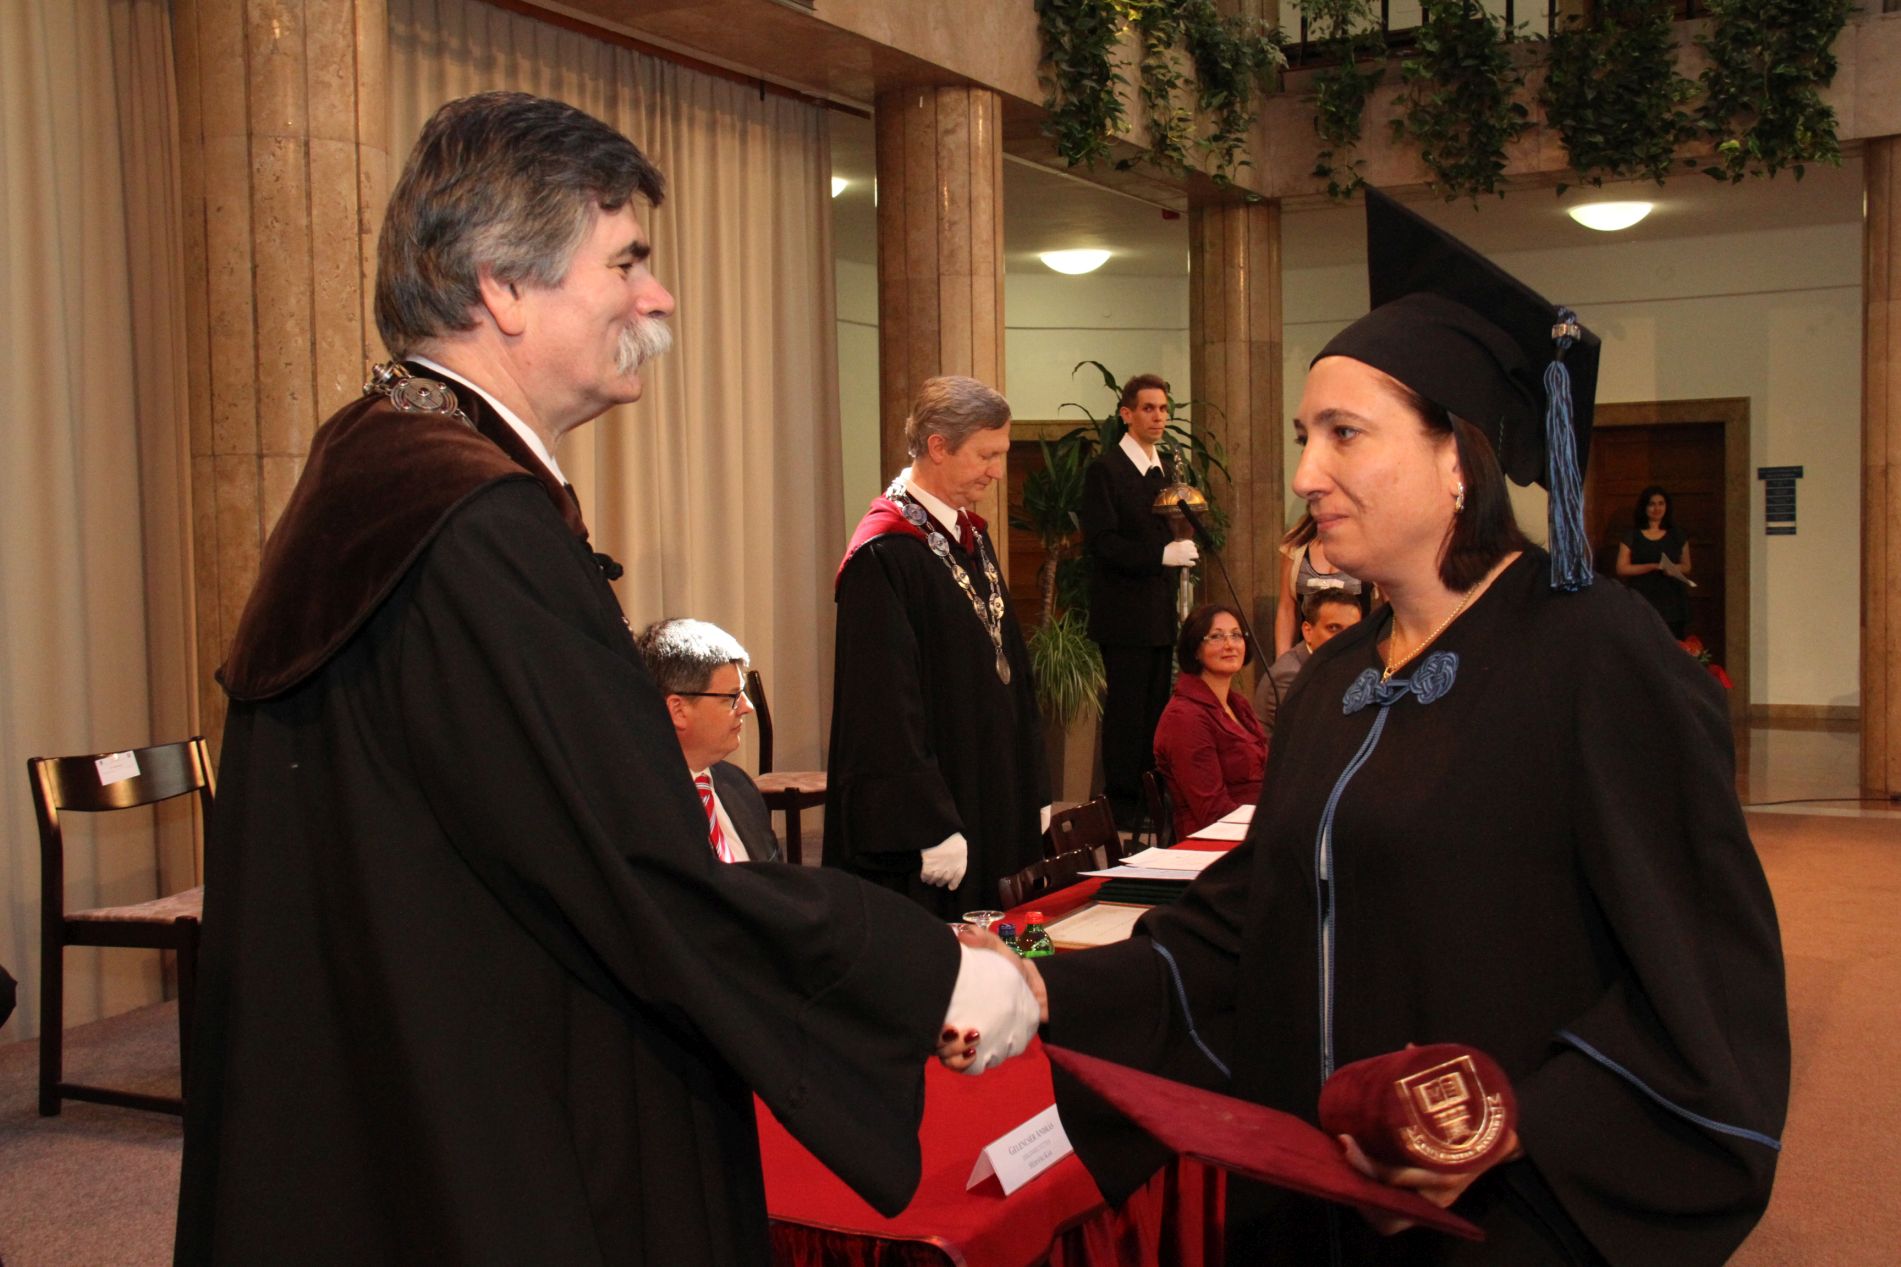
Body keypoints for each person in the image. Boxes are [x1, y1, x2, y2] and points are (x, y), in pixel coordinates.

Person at [176, 92, 1038, 1266]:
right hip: (502, 1101)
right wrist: (924, 971)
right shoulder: (472, 520)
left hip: (412, 1067)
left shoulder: (387, 461)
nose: (658, 296)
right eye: (626, 260)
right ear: (502, 287)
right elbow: (635, 866)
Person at [1024, 188, 1788, 1264]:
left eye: (1343, 433)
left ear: (1456, 458)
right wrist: (1044, 985)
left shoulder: (1593, 655)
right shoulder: (1336, 678)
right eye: (1304, 436)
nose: (1304, 473)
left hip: (1493, 1220)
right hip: (1310, 1209)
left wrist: (1503, 1128)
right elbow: (1251, 924)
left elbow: (1698, 972)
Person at [825, 375, 1051, 919]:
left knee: (1022, 945)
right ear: (938, 446)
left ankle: (1030, 981)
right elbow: (882, 708)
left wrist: (1034, 782)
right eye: (986, 455)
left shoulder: (969, 533)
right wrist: (926, 823)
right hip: (939, 812)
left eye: (1001, 455)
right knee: (946, 957)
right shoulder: (884, 551)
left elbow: (1012, 665)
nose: (997, 472)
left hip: (997, 788)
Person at [1081, 373, 1199, 828]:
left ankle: (1152, 801)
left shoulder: (1164, 468)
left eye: (1164, 409)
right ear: (1126, 414)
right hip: (1124, 614)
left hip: (1158, 612)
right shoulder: (1106, 469)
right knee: (1127, 712)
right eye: (1149, 408)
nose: (1159, 417)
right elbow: (1102, 543)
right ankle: (1124, 807)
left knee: (1154, 710)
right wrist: (1160, 555)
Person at [635, 617, 779, 863]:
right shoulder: (642, 806)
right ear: (678, 710)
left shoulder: (739, 785)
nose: (747, 707)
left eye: (743, 692)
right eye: (732, 696)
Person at [1151, 604, 1268, 839]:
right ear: (1195, 649)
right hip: (1217, 842)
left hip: (1257, 830)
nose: (1230, 645)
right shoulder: (1185, 717)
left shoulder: (1238, 705)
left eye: (1236, 635)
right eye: (1216, 637)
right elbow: (1213, 811)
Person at [1254, 588, 1365, 733]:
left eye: (1352, 631)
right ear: (1308, 631)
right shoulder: (1289, 677)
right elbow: (1318, 736)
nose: (1344, 638)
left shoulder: (1344, 665)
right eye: (1333, 628)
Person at [1272, 509, 1367, 656]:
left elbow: (1390, 607)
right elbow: (1286, 608)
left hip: (1356, 651)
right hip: (1308, 652)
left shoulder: (1367, 540)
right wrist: (1282, 661)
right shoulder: (1297, 541)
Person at [1615, 484, 1694, 638]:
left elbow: (1687, 566)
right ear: (1644, 507)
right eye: (1651, 504)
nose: (1657, 508)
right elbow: (1622, 568)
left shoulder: (1677, 534)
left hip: (1672, 600)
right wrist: (1652, 566)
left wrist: (1673, 569)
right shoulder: (1633, 535)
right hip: (1642, 598)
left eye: (1661, 504)